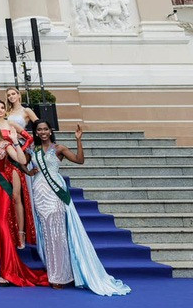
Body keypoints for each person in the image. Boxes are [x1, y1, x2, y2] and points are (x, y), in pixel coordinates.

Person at [25, 121, 130, 295]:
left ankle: (61, 276)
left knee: (58, 235)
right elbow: (20, 162)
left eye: (45, 129)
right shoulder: (32, 150)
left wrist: (78, 140)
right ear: (35, 132)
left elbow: (80, 160)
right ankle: (54, 272)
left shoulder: (59, 148)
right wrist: (28, 171)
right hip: (39, 194)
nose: (43, 132)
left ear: (50, 131)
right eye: (39, 130)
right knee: (47, 235)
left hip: (55, 194)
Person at [0, 114, 47, 287]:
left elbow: (21, 160)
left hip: (0, 188)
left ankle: (8, 271)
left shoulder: (4, 144)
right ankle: (5, 266)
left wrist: (15, 141)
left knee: (1, 225)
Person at [0, 98, 35, 248]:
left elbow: (29, 138)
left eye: (2, 107)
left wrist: (18, 151)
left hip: (12, 163)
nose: (0, 110)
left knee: (16, 197)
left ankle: (21, 233)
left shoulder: (10, 124)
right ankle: (6, 231)